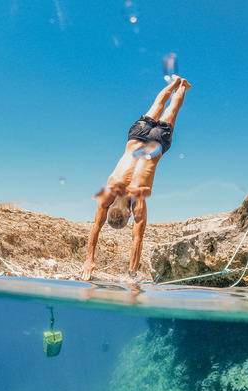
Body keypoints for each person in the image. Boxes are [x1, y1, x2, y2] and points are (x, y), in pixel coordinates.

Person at [80, 76, 190, 282]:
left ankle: (183, 87)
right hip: (137, 136)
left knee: (172, 109)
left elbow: (137, 240)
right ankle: (175, 82)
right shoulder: (110, 190)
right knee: (158, 104)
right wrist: (89, 259)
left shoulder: (138, 201)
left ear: (129, 214)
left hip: (157, 142)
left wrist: (131, 274)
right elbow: (95, 226)